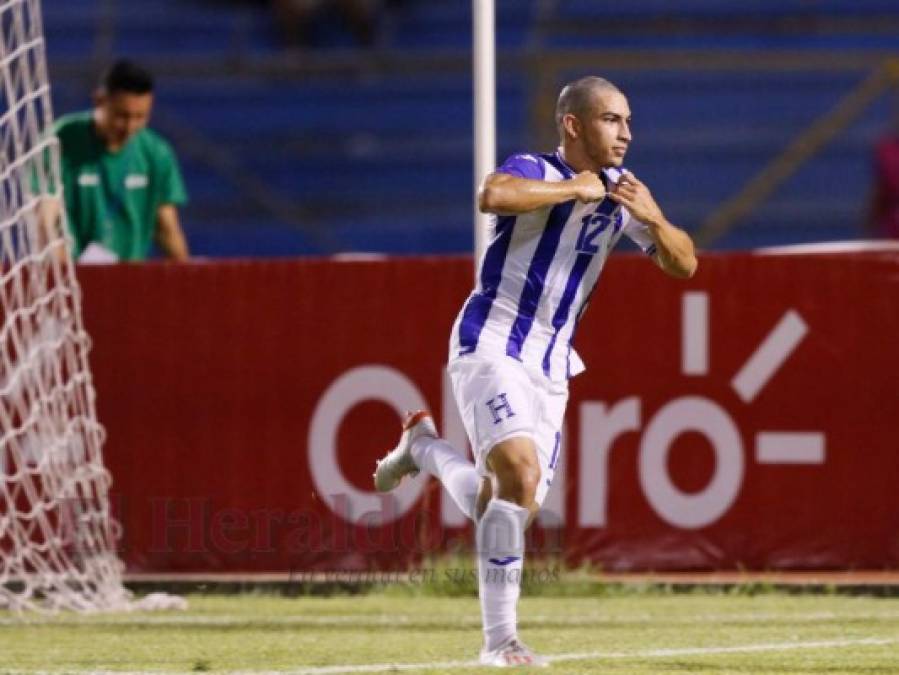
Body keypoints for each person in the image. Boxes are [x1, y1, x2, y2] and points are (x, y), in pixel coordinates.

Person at [374, 76, 697, 667]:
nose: (625, 133)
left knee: (502, 502)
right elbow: (491, 195)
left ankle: (425, 451)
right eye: (610, 120)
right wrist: (571, 189)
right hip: (491, 341)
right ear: (573, 125)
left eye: (627, 121)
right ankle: (501, 642)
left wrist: (653, 215)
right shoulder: (540, 169)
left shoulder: (624, 196)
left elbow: (684, 264)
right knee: (518, 480)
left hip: (552, 368)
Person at [50, 59, 189, 262]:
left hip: (128, 278)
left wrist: (187, 277)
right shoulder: (62, 140)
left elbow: (167, 228)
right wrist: (64, 276)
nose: (130, 126)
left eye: (140, 117)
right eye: (121, 116)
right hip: (71, 276)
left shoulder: (157, 153)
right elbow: (46, 219)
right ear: (99, 101)